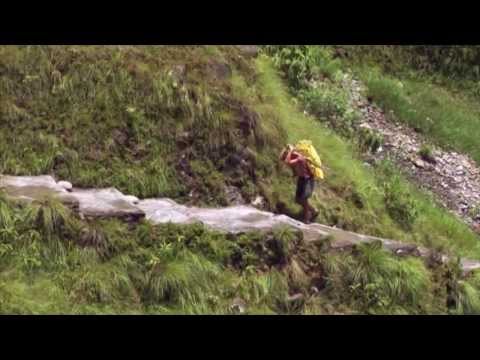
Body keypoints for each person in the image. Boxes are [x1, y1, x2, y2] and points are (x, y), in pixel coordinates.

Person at [280, 145, 319, 224]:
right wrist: (294, 174)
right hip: (302, 179)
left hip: (308, 179)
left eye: (286, 155)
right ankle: (313, 210)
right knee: (298, 200)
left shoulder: (300, 157)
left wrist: (291, 150)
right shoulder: (295, 158)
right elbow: (291, 166)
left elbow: (287, 162)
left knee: (303, 199)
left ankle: (306, 218)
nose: (286, 157)